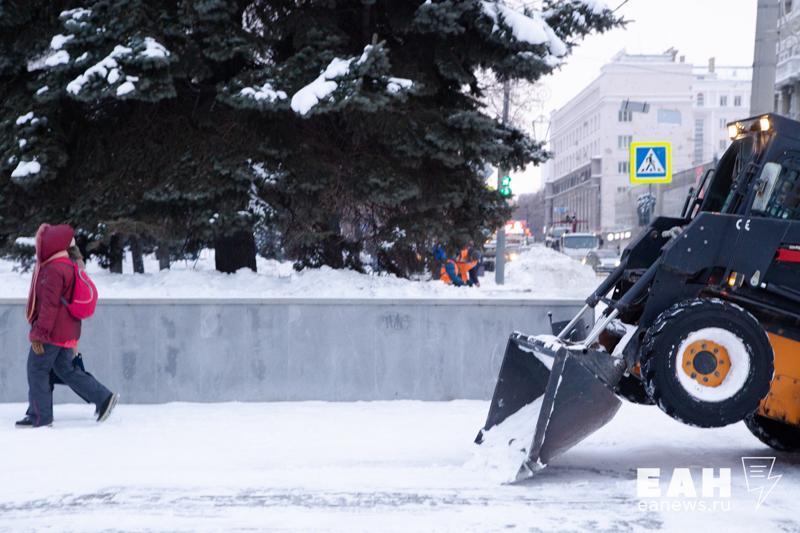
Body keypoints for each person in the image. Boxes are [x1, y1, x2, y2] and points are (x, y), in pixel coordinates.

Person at [16, 223, 119, 428]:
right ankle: (103, 398)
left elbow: (49, 307)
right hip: (66, 329)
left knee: (37, 369)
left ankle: (40, 416)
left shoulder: (53, 269)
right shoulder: (68, 264)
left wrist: (38, 335)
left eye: (40, 243)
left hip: (52, 332)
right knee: (66, 369)